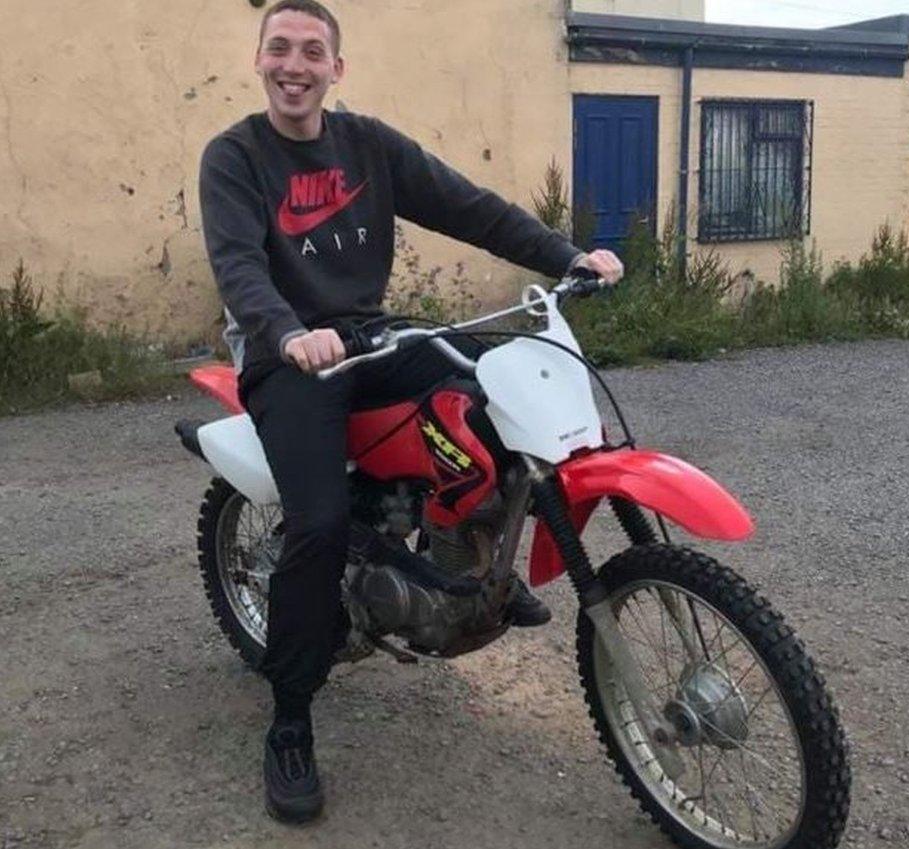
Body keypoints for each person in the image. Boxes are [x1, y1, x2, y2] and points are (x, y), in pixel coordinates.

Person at [198, 0, 623, 824]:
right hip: (285, 357)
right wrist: (286, 333)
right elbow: (239, 265)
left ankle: (466, 569)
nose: (295, 64)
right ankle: (290, 720)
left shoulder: (368, 145)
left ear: (336, 69)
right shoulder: (235, 156)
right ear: (258, 60)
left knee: (491, 409)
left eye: (312, 51)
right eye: (279, 48)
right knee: (318, 523)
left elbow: (470, 207)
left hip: (366, 336)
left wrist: (566, 254)